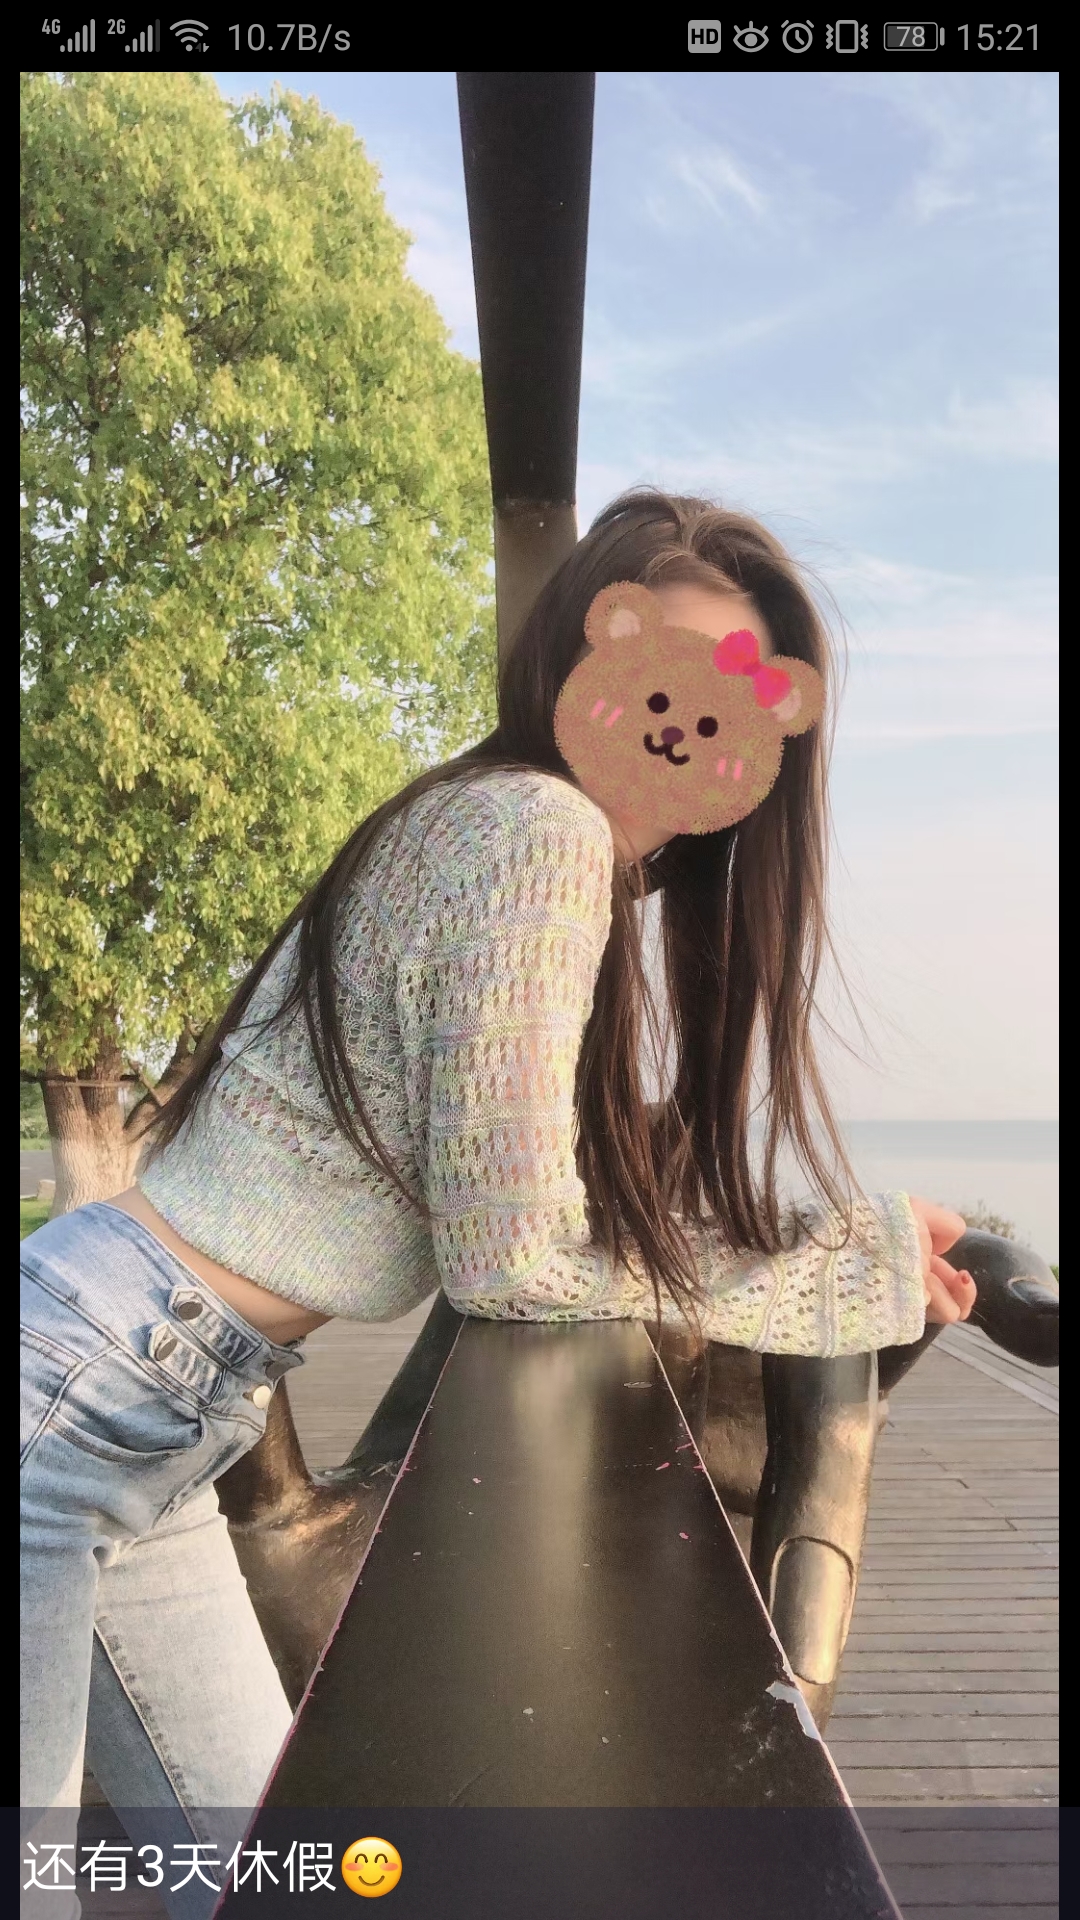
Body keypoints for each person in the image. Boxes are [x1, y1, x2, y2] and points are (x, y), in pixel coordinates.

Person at [21, 491, 974, 1886]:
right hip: (78, 1402)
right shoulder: (540, 832)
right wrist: (850, 1275)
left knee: (268, 1876)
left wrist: (848, 1244)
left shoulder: (488, 822)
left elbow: (540, 1203)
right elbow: (515, 1264)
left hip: (158, 1417)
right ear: (584, 651)